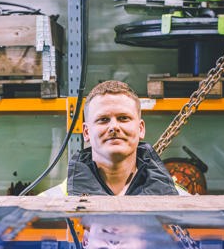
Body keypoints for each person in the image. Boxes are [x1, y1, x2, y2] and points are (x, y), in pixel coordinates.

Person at [44, 80, 179, 196]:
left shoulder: (177, 199)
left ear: (141, 129)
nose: (114, 127)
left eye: (123, 118)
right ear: (86, 132)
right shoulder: (52, 204)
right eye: (103, 119)